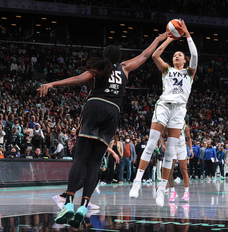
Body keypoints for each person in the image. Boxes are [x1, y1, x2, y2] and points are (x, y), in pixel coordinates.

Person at [38, 31, 169, 228]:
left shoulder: (100, 68)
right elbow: (145, 55)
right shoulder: (125, 67)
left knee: (81, 158)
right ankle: (84, 206)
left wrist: (53, 83)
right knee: (94, 163)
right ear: (119, 57)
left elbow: (80, 80)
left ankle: (68, 203)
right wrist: (160, 38)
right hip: (112, 113)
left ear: (105, 55)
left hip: (95, 106)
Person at [129, 19, 198, 208]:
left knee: (170, 153)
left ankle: (162, 189)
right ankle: (136, 182)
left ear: (184, 60)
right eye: (175, 55)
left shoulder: (189, 73)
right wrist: (170, 38)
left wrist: (187, 35)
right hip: (164, 106)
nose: (176, 56)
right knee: (151, 144)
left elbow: (195, 54)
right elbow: (155, 55)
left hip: (179, 111)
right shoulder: (166, 69)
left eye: (180, 55)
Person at [164, 124, 193, 202]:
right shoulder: (169, 125)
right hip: (172, 147)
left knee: (184, 170)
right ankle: (172, 191)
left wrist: (191, 149)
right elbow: (161, 135)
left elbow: (189, 138)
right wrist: (163, 145)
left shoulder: (185, 126)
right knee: (170, 170)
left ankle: (186, 191)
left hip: (182, 148)